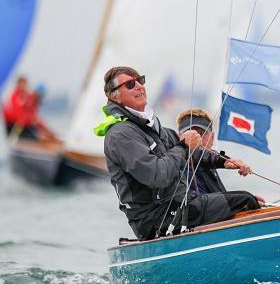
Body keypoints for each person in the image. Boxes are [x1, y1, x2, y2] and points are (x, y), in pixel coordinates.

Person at [95, 66, 260, 241]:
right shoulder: (121, 135)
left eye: (140, 80)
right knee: (245, 200)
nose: (138, 86)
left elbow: (193, 152)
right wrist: (183, 147)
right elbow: (157, 175)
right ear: (114, 96)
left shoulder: (151, 127)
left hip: (179, 206)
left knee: (245, 200)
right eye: (129, 84)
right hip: (157, 219)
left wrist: (223, 162)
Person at [176, 108, 265, 205]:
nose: (198, 140)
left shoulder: (211, 164)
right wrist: (242, 202)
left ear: (212, 138)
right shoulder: (177, 167)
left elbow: (217, 202)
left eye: (202, 134)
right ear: (178, 138)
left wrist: (241, 200)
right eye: (191, 135)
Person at [1, 76, 57, 141]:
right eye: (22, 84)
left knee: (38, 133)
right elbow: (20, 116)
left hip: (25, 125)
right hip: (15, 126)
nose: (24, 87)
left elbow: (33, 116)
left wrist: (46, 129)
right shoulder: (14, 96)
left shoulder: (27, 97)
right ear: (18, 85)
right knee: (34, 134)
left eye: (25, 84)